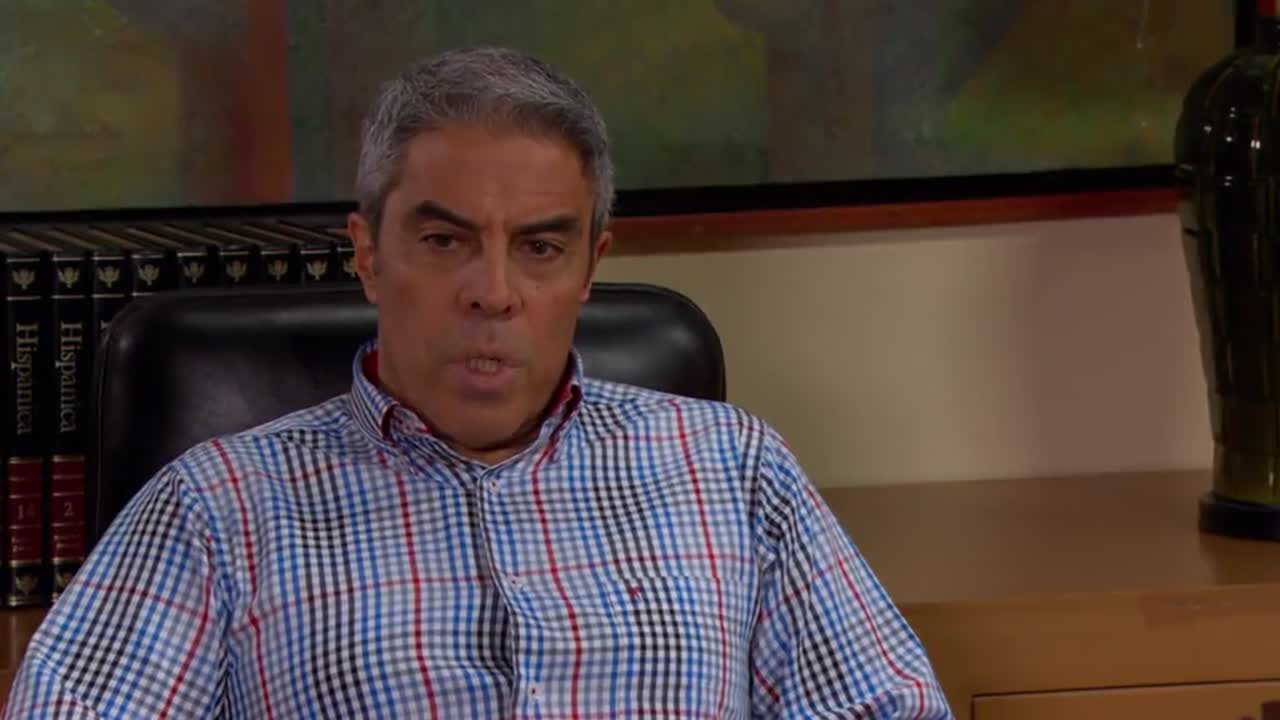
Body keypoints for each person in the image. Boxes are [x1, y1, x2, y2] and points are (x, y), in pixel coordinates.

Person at [3, 46, 953, 719]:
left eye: (540, 248)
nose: (493, 292)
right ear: (369, 255)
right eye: (445, 240)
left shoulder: (735, 471)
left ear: (590, 267)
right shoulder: (218, 510)